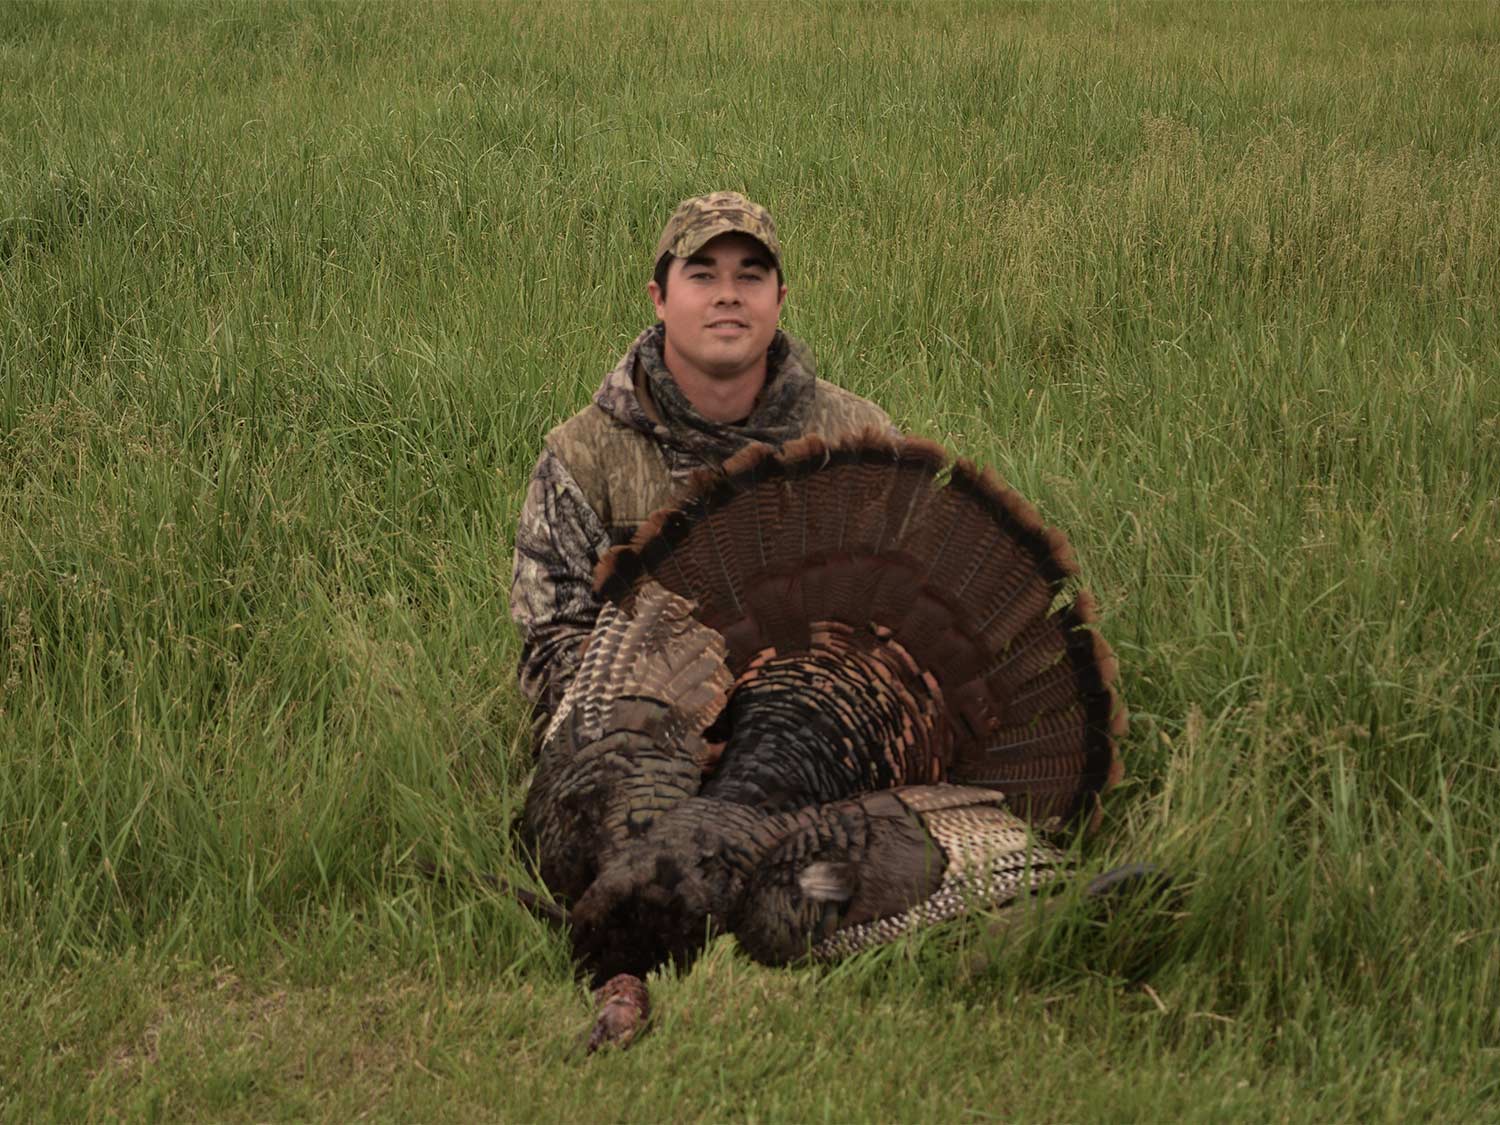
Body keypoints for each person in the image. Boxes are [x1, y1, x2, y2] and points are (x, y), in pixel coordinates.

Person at [510, 191, 894, 727]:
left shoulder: (858, 439)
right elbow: (549, 644)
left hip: (819, 737)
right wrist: (668, 716)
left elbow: (898, 618)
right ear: (659, 298)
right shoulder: (584, 458)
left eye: (751, 276)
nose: (728, 296)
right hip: (649, 751)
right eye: (703, 276)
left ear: (779, 298)